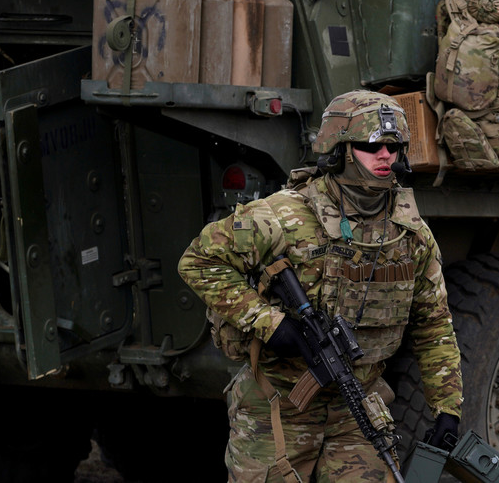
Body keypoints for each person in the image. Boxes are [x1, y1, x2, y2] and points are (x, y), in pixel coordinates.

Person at [178, 90, 463, 482]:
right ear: (340, 150)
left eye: (394, 146)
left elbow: (433, 324)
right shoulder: (283, 216)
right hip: (279, 402)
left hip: (357, 404)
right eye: (371, 146)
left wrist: (447, 408)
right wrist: (271, 323)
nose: (385, 155)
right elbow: (198, 261)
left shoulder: (409, 233)